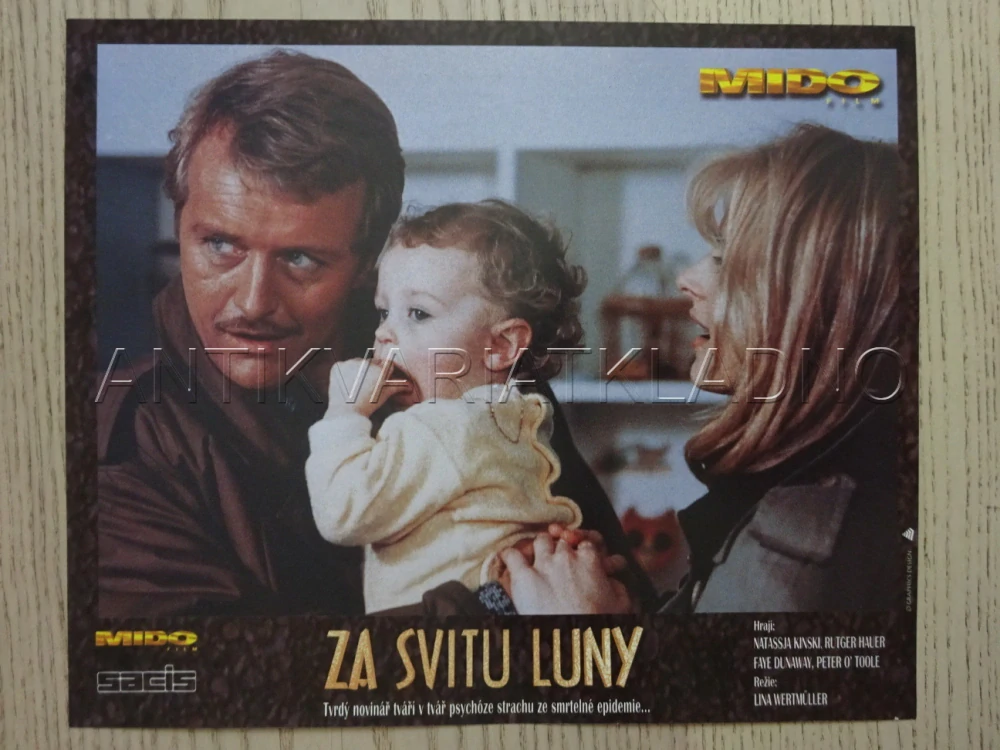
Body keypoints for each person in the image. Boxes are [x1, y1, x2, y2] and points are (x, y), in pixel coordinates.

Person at [96, 51, 652, 617]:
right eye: (220, 245)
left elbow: (616, 599)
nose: (253, 302)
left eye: (301, 258)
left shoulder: (462, 361)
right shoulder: (125, 437)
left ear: (367, 263)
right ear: (179, 226)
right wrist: (494, 607)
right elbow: (222, 668)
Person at [501, 124, 904, 614]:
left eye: (724, 260)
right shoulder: (815, 506)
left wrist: (585, 630)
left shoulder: (796, 563)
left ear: (819, 301)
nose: (686, 279)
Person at [306, 201, 593, 612]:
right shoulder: (510, 415)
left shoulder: (442, 427)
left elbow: (341, 512)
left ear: (502, 345)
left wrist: (344, 414)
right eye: (384, 311)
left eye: (418, 313)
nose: (384, 333)